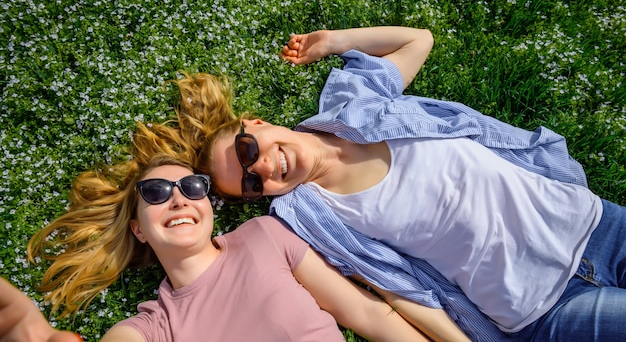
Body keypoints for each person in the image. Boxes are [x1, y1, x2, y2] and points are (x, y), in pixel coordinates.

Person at [172, 26, 626, 341]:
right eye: (252, 185)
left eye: (249, 152)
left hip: (597, 226)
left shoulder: (353, 102)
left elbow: (417, 40)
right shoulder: (313, 216)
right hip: (542, 310)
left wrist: (332, 42)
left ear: (257, 123)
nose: (264, 171)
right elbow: (395, 290)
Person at [23, 121, 467, 341]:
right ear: (139, 230)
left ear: (208, 205)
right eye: (156, 192)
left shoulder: (264, 235)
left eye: (191, 187)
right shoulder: (157, 324)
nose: (178, 198)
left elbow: (369, 314)